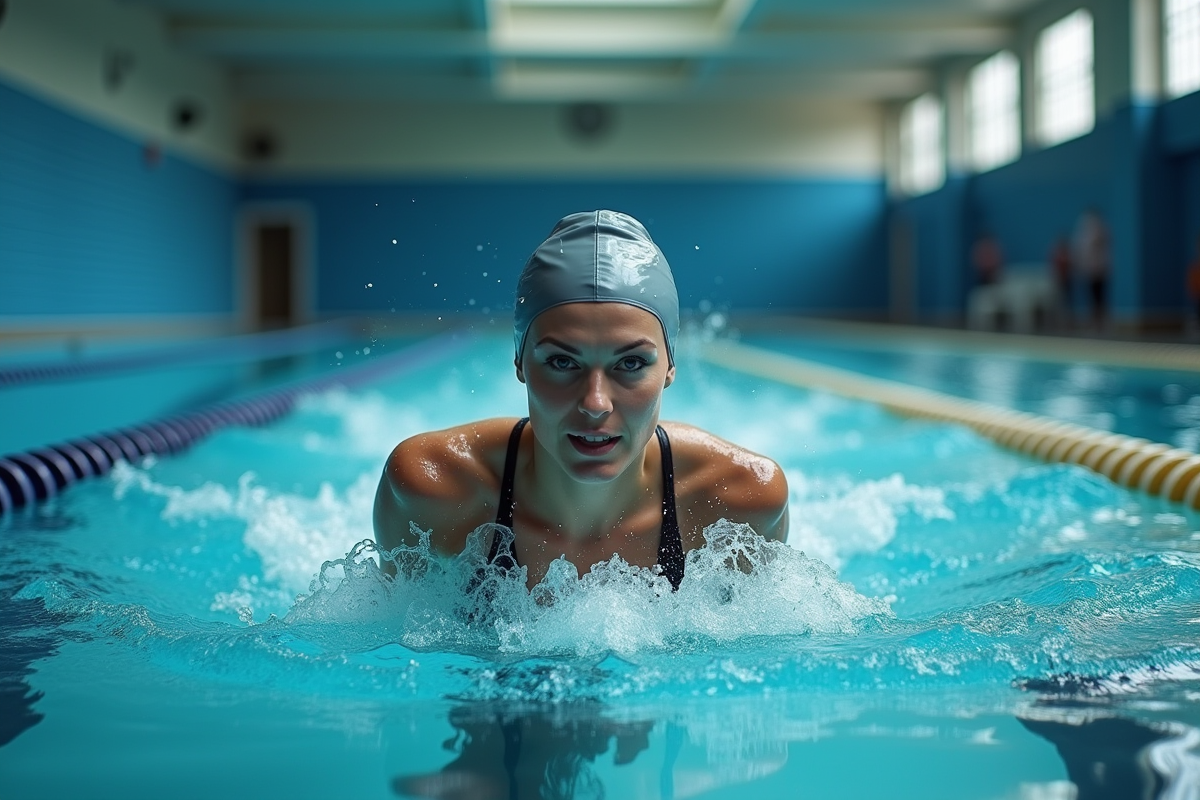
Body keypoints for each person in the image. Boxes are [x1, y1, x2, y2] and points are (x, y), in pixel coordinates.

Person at [373, 210, 789, 591]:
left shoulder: (739, 501)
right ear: (520, 362)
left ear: (669, 367)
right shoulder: (433, 490)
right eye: (561, 361)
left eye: (630, 363)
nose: (595, 403)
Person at [1073, 208, 1110, 329]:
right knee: (1092, 296)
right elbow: (1080, 251)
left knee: (1099, 296)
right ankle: (1094, 319)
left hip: (1099, 270)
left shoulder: (1102, 230)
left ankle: (1101, 320)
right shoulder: (1082, 233)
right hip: (1089, 270)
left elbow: (1100, 246)